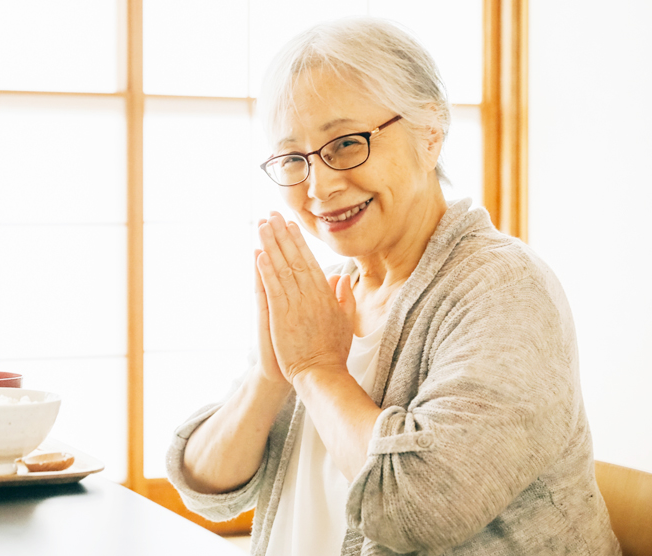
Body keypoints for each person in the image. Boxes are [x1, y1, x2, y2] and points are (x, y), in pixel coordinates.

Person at [164, 18, 621, 556]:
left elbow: (419, 510)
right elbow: (206, 487)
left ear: (431, 133)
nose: (320, 186)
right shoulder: (328, 293)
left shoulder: (504, 287)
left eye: (345, 143)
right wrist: (271, 377)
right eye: (294, 159)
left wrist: (314, 370)